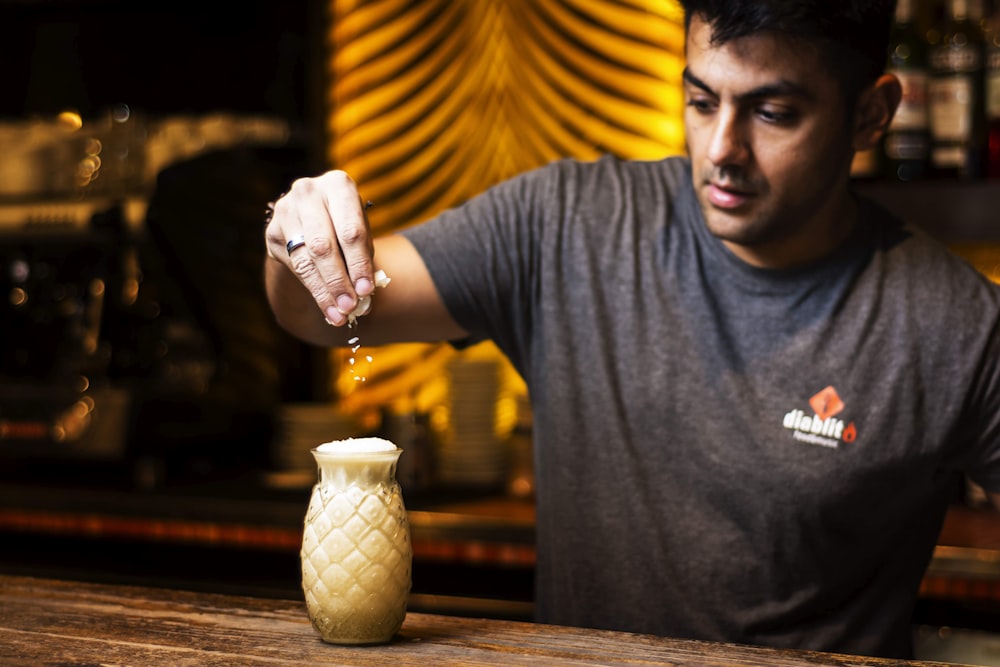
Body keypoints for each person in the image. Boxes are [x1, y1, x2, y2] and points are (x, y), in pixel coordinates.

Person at [264, 0, 1000, 659]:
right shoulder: (565, 224)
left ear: (873, 114)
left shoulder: (956, 323)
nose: (721, 150)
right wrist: (296, 237)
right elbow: (322, 315)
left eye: (772, 112)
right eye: (701, 100)